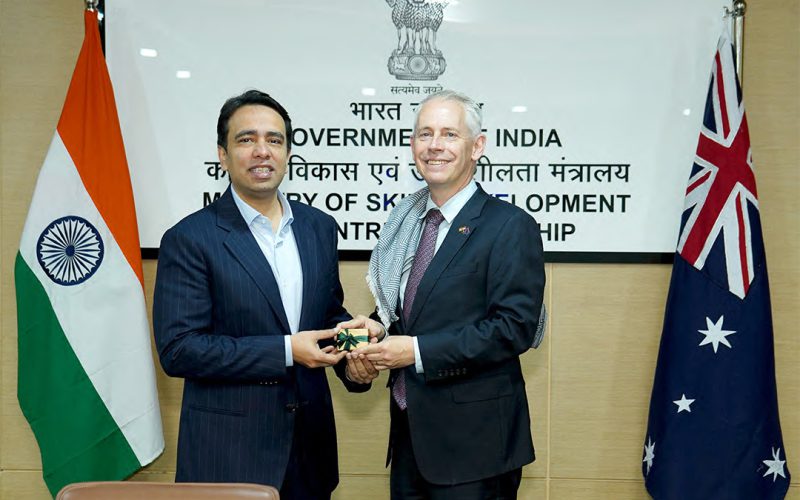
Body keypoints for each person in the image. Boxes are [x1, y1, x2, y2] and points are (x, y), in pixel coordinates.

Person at [152, 89, 370, 500]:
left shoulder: (318, 227)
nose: (261, 151)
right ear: (222, 154)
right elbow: (180, 349)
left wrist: (353, 353)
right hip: (229, 456)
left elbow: (326, 314)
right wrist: (288, 350)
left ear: (288, 153)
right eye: (246, 139)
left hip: (309, 451)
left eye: (274, 140)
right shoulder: (189, 238)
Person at [342, 89, 545, 499]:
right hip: (410, 442)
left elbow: (513, 328)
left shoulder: (509, 226)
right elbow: (402, 314)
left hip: (477, 450)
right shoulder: (405, 221)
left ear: (477, 147)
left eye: (449, 134)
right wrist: (361, 348)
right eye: (424, 134)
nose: (434, 146)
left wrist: (414, 352)